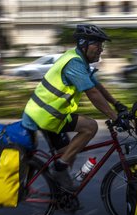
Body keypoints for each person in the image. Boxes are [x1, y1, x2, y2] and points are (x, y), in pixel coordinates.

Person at [21, 24, 129, 191]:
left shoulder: (78, 59)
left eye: (102, 45)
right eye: (98, 45)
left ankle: (62, 193)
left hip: (49, 114)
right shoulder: (74, 63)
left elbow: (96, 85)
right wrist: (115, 118)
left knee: (68, 152)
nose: (101, 49)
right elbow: (92, 93)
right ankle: (59, 170)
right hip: (44, 115)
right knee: (90, 127)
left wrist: (117, 104)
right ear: (84, 44)